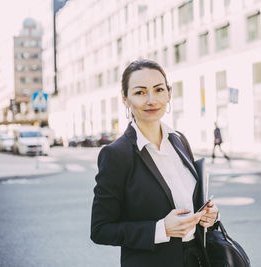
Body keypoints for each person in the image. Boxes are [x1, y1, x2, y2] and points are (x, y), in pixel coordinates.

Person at [90, 59, 219, 267]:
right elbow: (100, 229)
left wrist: (208, 215)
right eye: (140, 92)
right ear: (125, 99)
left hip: (196, 260)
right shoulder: (116, 155)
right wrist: (161, 229)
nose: (152, 100)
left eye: (159, 90)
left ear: (169, 94)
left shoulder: (179, 140)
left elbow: (190, 201)